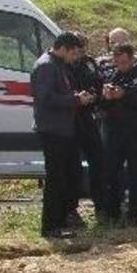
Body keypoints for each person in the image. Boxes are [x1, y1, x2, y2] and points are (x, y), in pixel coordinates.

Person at [31, 32, 92, 238]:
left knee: (65, 177)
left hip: (63, 129)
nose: (74, 57)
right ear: (63, 48)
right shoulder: (46, 66)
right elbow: (46, 98)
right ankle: (50, 226)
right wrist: (75, 100)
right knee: (55, 178)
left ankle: (61, 219)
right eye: (73, 53)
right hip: (53, 130)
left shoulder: (58, 65)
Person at [100, 43, 137, 226]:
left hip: (136, 132)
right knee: (111, 172)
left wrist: (125, 95)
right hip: (115, 132)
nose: (121, 66)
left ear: (132, 59)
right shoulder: (113, 76)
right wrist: (107, 97)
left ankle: (135, 214)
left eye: (124, 62)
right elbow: (102, 107)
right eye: (118, 63)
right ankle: (113, 213)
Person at [66, 33, 106, 223]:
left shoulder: (89, 63)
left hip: (88, 117)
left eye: (83, 48)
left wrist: (94, 96)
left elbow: (99, 82)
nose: (80, 52)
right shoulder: (61, 66)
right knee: (72, 166)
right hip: (70, 119)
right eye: (77, 48)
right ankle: (71, 208)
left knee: (98, 161)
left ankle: (102, 206)